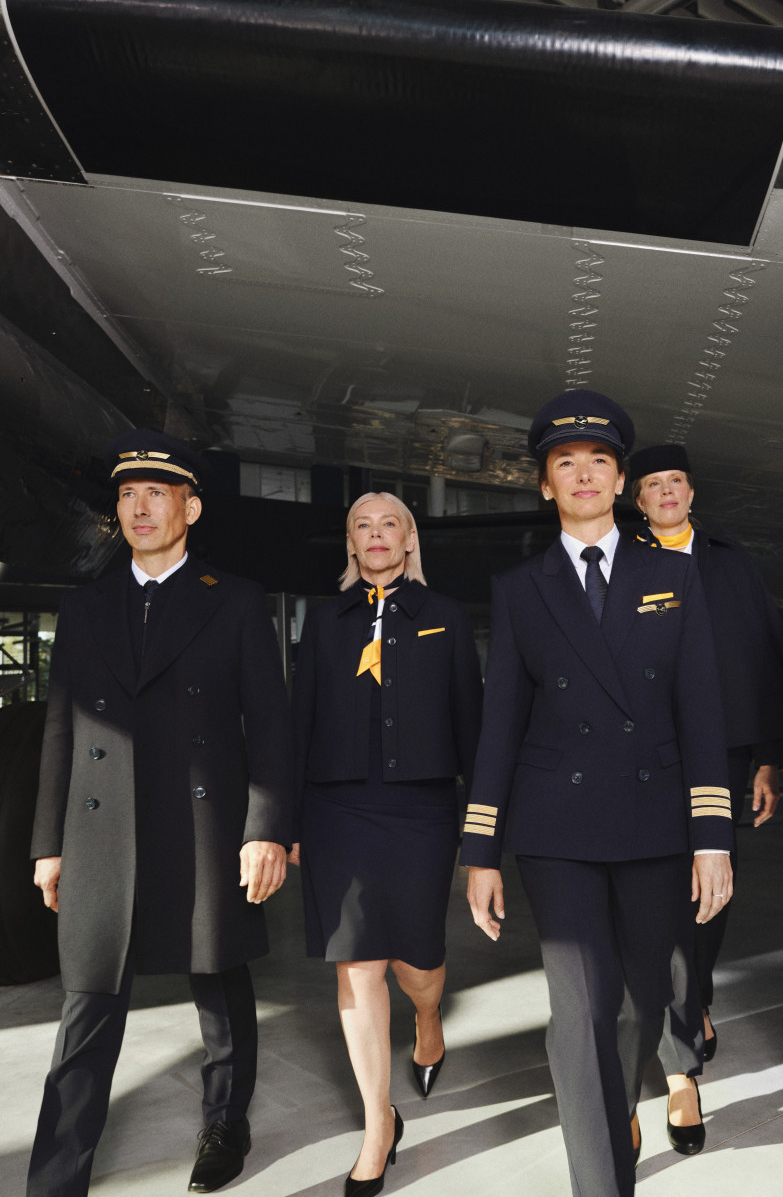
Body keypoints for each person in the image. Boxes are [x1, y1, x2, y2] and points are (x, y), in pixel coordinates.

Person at [461, 391, 734, 1197]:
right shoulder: (521, 587)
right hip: (557, 827)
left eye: (600, 461)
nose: (583, 474)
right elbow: (500, 725)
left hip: (655, 822)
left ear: (620, 482)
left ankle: (617, 1116)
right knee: (581, 1014)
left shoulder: (674, 574)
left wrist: (713, 838)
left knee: (641, 1005)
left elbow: (701, 710)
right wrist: (481, 851)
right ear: (545, 483)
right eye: (565, 463)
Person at [28, 430, 294, 1196]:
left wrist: (266, 830)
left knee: (218, 979)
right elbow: (61, 729)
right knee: (88, 1001)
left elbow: (269, 725)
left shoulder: (233, 600)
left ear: (190, 508)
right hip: (101, 828)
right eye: (126, 495)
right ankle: (56, 1176)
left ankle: (225, 1123)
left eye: (155, 493)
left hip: (203, 824)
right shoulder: (84, 607)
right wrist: (49, 843)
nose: (139, 508)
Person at [290, 491, 482, 1196]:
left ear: (409, 540)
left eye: (388, 524)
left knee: (416, 961)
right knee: (357, 964)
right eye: (362, 526)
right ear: (351, 544)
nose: (375, 535)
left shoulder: (446, 617)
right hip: (337, 809)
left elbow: (472, 727)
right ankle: (379, 1123)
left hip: (421, 811)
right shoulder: (323, 621)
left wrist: (482, 829)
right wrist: (286, 822)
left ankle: (429, 1017)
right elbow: (297, 722)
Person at [629, 443, 783, 1153]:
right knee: (661, 901)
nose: (666, 493)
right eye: (653, 484)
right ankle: (681, 1069)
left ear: (692, 493)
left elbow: (765, 657)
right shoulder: (619, 562)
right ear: (638, 500)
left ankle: (695, 998)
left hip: (721, 753)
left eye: (676, 482)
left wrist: (769, 758)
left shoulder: (732, 563)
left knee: (711, 893)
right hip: (643, 757)